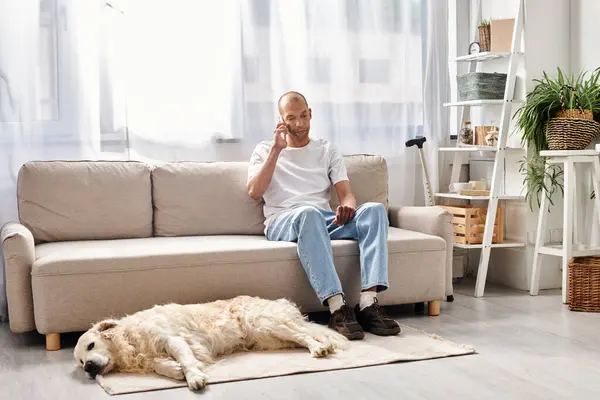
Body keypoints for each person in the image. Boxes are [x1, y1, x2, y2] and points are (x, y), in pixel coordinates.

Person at [246, 91, 400, 340]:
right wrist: (277, 150)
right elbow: (254, 192)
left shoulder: (326, 149)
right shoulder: (265, 149)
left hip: (323, 220)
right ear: (281, 120)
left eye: (304, 116)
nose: (299, 124)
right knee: (308, 213)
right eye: (292, 118)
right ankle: (337, 308)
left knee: (374, 210)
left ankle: (369, 304)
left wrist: (347, 206)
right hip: (284, 220)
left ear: (311, 113)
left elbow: (346, 194)